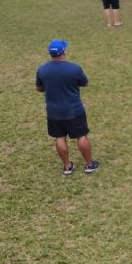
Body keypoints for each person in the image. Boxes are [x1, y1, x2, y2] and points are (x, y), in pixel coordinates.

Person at [34, 39, 99, 175]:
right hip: (74, 110)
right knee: (81, 136)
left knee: (60, 137)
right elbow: (84, 83)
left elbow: (39, 88)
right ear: (63, 52)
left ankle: (67, 166)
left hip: (53, 112)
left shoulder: (42, 70)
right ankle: (89, 164)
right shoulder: (74, 68)